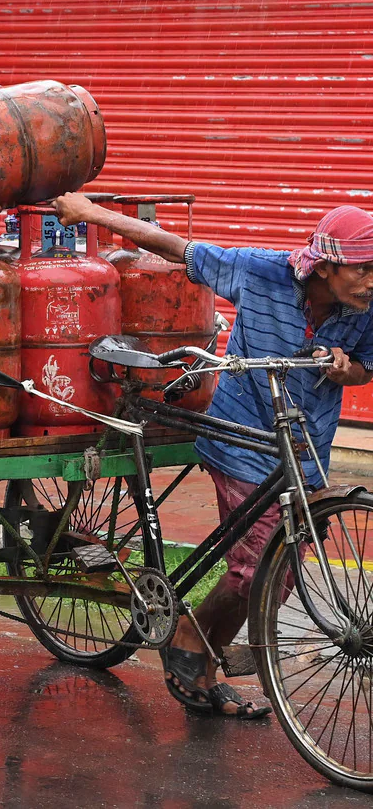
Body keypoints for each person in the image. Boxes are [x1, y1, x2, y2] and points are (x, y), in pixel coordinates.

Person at [53, 193, 373, 719]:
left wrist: (348, 369)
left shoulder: (365, 307)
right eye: (361, 269)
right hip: (241, 437)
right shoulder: (263, 273)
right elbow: (177, 248)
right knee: (255, 569)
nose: (369, 280)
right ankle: (191, 641)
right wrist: (91, 214)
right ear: (328, 265)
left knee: (285, 567)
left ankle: (200, 640)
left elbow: (366, 365)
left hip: (304, 447)